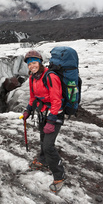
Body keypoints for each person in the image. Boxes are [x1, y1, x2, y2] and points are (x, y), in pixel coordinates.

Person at [22, 50, 66, 193]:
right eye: (29, 64)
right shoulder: (33, 78)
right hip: (43, 112)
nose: (32, 66)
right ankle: (43, 160)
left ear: (40, 62)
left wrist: (52, 121)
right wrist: (28, 109)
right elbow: (33, 96)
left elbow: (56, 100)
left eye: (34, 63)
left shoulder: (50, 76)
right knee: (42, 139)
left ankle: (59, 175)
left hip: (55, 113)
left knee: (48, 146)